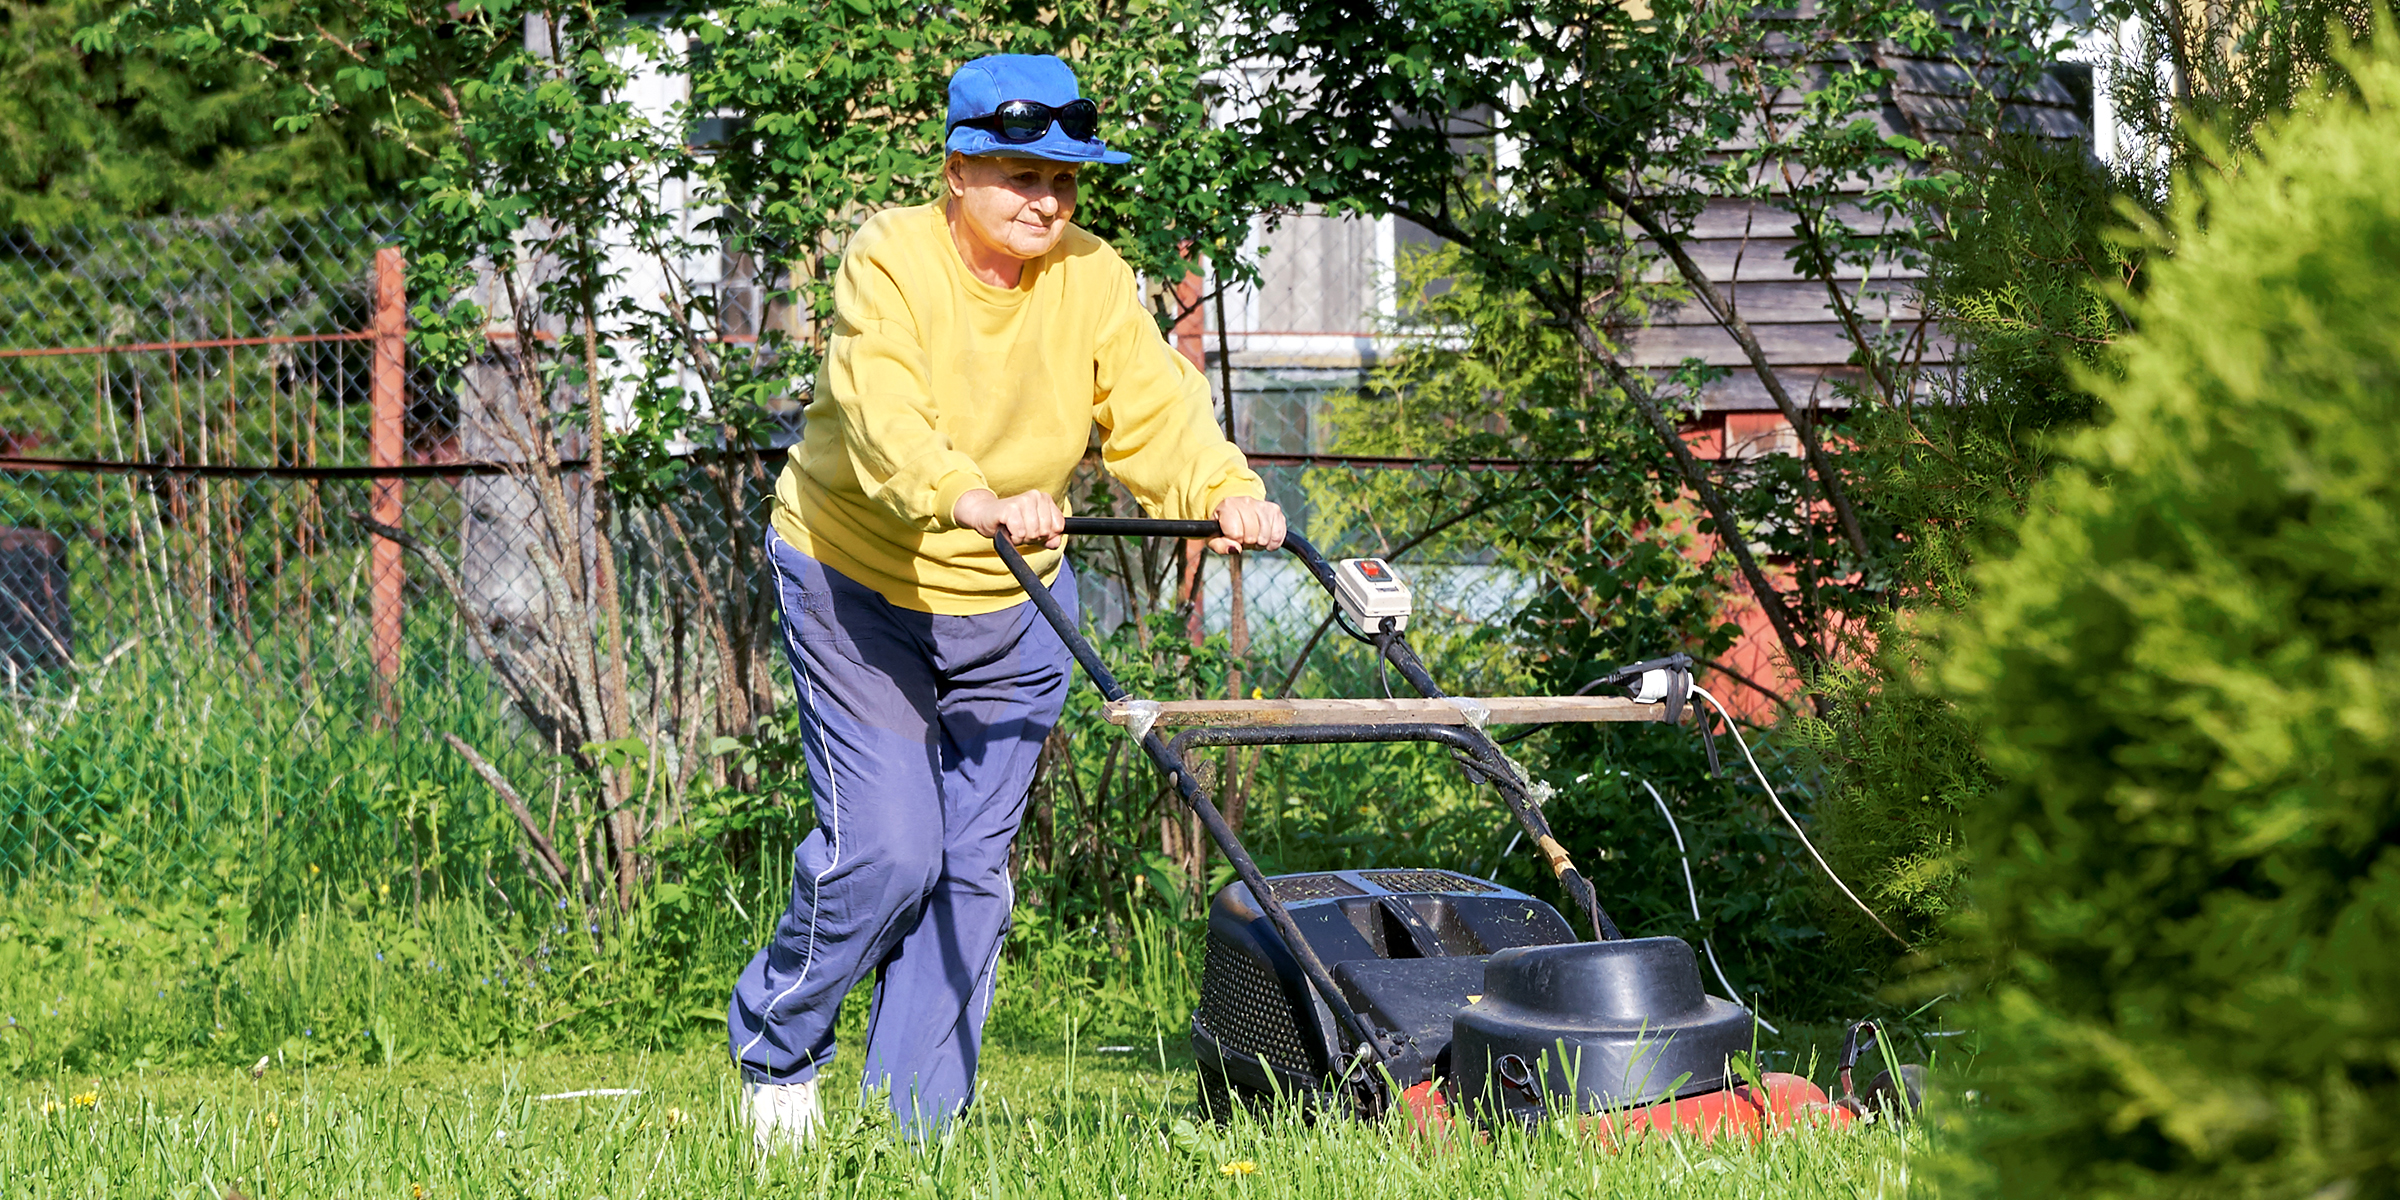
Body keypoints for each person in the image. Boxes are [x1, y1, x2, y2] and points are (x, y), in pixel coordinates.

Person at [725, 53, 1286, 1147]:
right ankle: (779, 1049)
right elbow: (878, 400)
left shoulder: (1090, 277)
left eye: (1066, 180)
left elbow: (1156, 414)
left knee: (972, 872)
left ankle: (911, 1129)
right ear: (957, 170)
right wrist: (960, 492)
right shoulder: (891, 257)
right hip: (859, 580)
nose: (1047, 200)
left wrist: (1227, 491)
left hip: (1015, 602)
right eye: (1022, 175)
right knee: (888, 849)